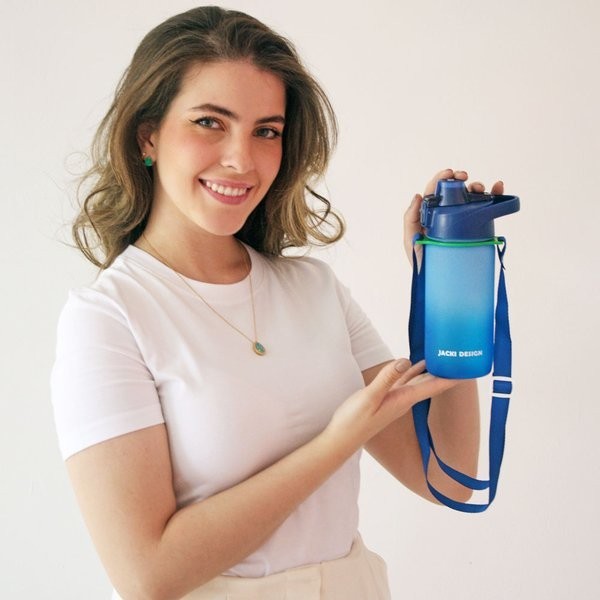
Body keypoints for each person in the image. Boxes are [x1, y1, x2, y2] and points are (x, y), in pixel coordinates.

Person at [51, 6, 504, 600]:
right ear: (148, 135)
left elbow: (447, 477)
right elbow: (146, 575)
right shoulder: (109, 317)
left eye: (266, 130)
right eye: (210, 122)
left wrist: (446, 277)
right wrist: (337, 442)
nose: (242, 159)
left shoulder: (313, 288)